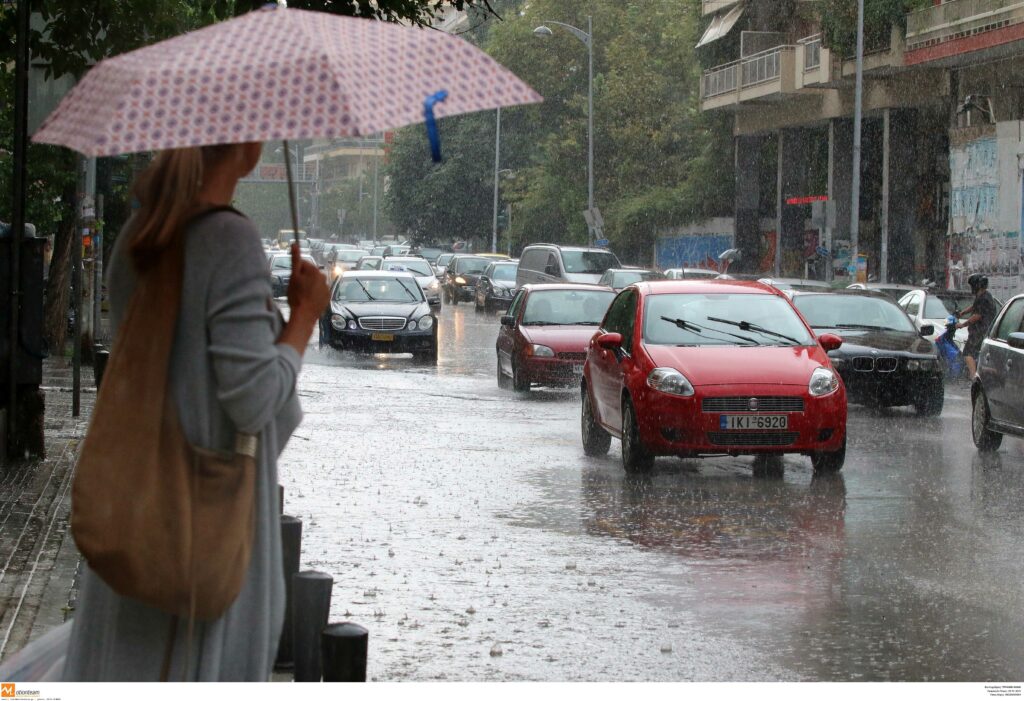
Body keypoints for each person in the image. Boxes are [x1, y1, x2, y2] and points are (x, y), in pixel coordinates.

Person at [61, 143, 329, 681]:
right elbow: (253, 401)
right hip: (200, 537)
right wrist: (302, 318)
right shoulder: (227, 240)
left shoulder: (140, 235)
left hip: (136, 518)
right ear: (249, 148)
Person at [956, 273, 998, 378]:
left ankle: (974, 377)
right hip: (986, 330)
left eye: (972, 285)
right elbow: (974, 306)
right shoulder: (985, 295)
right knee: (980, 354)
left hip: (980, 330)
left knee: (967, 353)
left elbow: (977, 316)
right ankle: (986, 374)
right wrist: (962, 312)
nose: (971, 288)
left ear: (976, 285)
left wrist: (962, 324)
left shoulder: (983, 298)